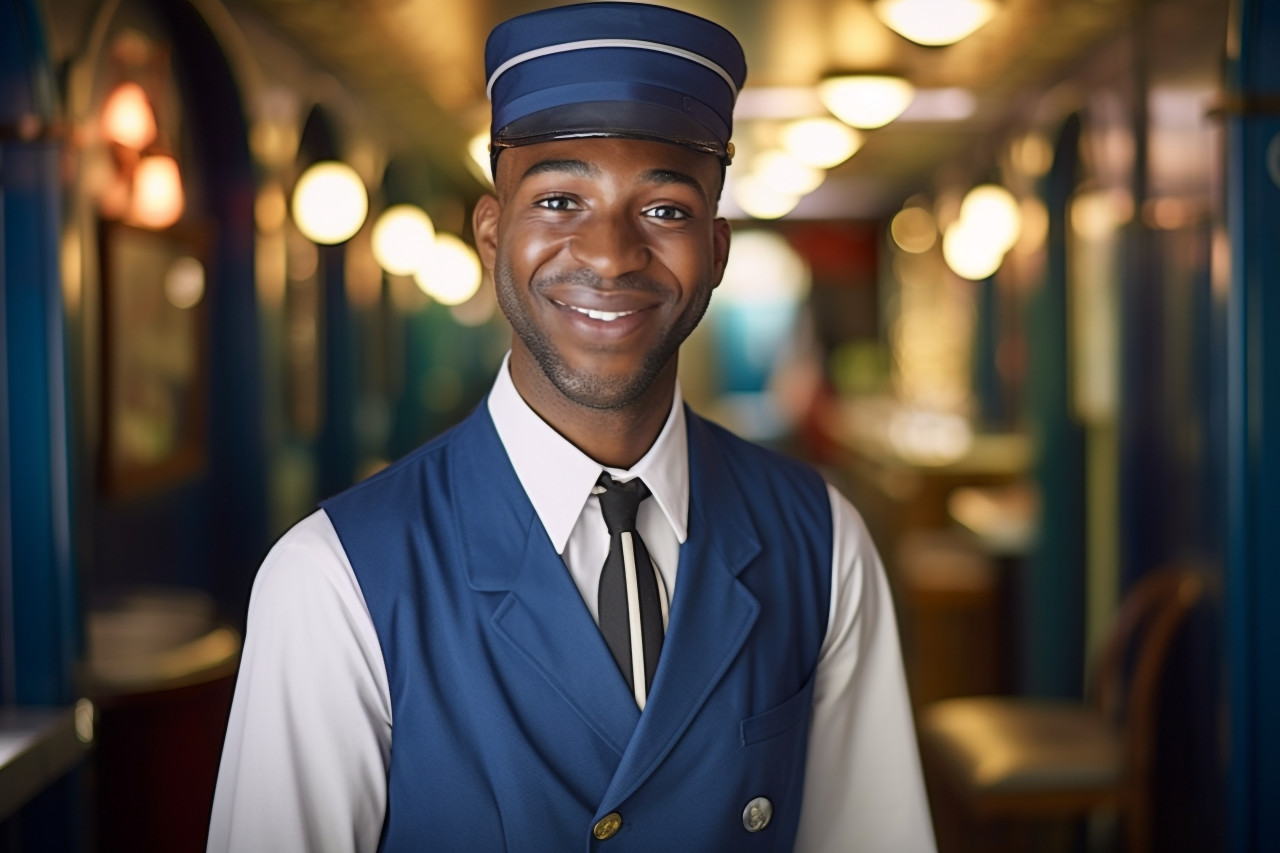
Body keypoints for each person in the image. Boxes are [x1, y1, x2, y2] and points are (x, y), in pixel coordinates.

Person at [208, 3, 936, 851]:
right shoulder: (330, 578)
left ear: (717, 250)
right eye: (559, 200)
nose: (610, 254)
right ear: (492, 235)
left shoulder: (823, 539)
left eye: (664, 210)